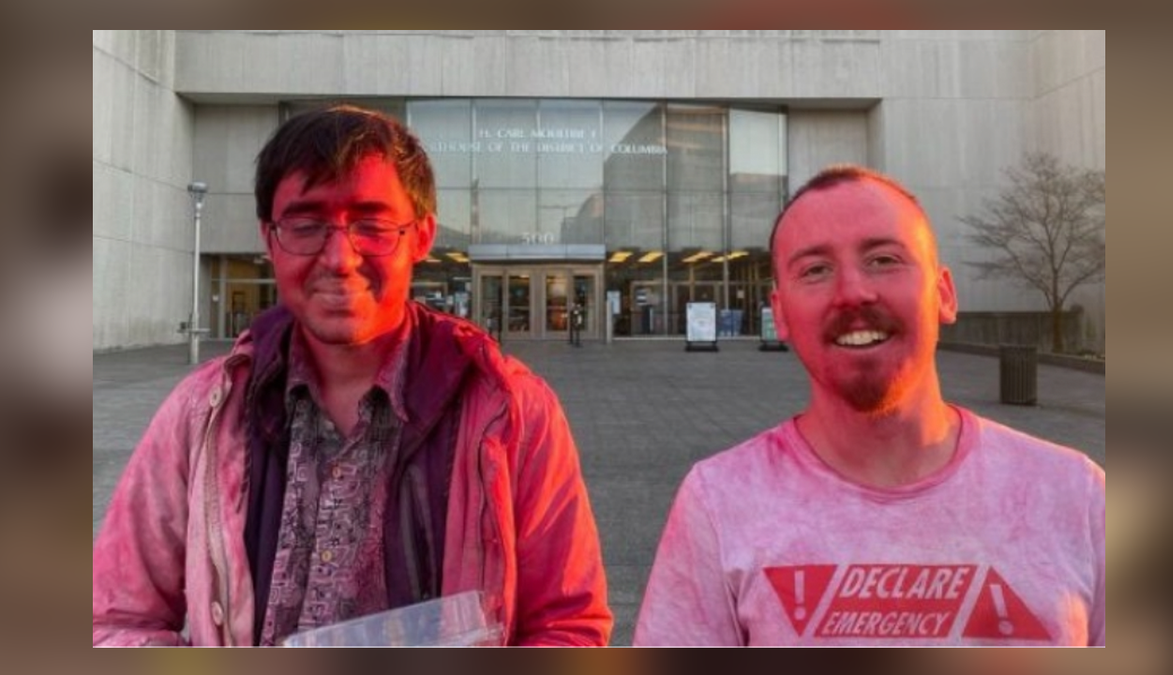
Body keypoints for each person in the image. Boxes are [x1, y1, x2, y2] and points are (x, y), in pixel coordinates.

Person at [92, 105, 612, 647]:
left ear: (421, 236)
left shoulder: (510, 410)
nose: (339, 258)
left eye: (371, 224)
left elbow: (566, 624)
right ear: (269, 238)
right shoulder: (203, 415)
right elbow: (113, 620)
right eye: (306, 224)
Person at [634, 165, 1104, 646]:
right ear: (781, 315)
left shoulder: (1077, 496)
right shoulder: (718, 504)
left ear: (943, 294)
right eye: (815, 270)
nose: (853, 292)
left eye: (883, 259)